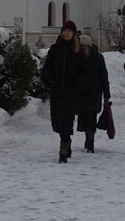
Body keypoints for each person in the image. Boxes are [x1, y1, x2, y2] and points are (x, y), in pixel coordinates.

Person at [40, 20, 86, 163]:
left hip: (71, 92)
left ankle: (63, 148)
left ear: (73, 34)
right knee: (57, 121)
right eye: (65, 31)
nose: (66, 33)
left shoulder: (78, 51)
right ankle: (66, 140)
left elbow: (84, 72)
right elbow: (47, 68)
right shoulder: (55, 49)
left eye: (69, 31)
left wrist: (76, 84)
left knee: (67, 120)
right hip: (57, 90)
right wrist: (51, 80)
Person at [76, 34, 111, 153]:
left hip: (95, 92)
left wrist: (106, 93)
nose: (83, 49)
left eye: (85, 47)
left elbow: (104, 76)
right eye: (81, 47)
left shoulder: (98, 58)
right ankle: (87, 137)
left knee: (92, 117)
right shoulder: (77, 58)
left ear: (90, 47)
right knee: (83, 117)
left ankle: (91, 141)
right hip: (81, 92)